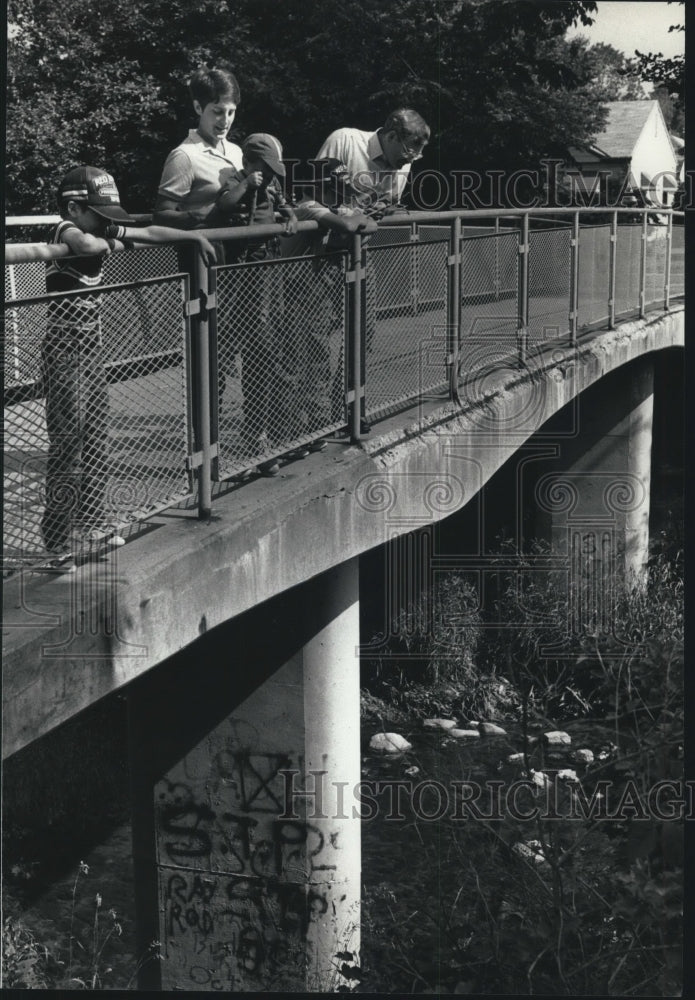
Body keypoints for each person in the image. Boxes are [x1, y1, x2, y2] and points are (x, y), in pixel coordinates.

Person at [41, 165, 217, 572]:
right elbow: (83, 244)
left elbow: (150, 232)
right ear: (73, 207)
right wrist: (104, 236)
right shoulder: (63, 230)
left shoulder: (98, 228)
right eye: (99, 215)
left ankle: (92, 523)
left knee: (97, 437)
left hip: (91, 350)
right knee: (70, 442)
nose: (108, 225)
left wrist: (191, 235)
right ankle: (58, 540)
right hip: (63, 351)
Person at [313, 109, 430, 431]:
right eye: (407, 151)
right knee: (317, 337)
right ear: (391, 136)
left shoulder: (402, 166)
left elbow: (384, 209)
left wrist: (384, 211)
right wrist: (344, 210)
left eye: (417, 156)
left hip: (359, 253)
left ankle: (348, 406)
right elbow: (312, 195)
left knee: (363, 332)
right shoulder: (345, 141)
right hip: (321, 253)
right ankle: (318, 416)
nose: (409, 161)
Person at [214, 134, 298, 475]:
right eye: (265, 169)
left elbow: (283, 204)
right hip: (241, 273)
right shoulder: (236, 179)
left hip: (267, 270)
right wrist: (247, 183)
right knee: (239, 352)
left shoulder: (273, 186)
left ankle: (260, 436)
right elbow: (223, 204)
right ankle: (217, 445)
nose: (270, 176)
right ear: (251, 163)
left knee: (266, 353)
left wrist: (289, 217)